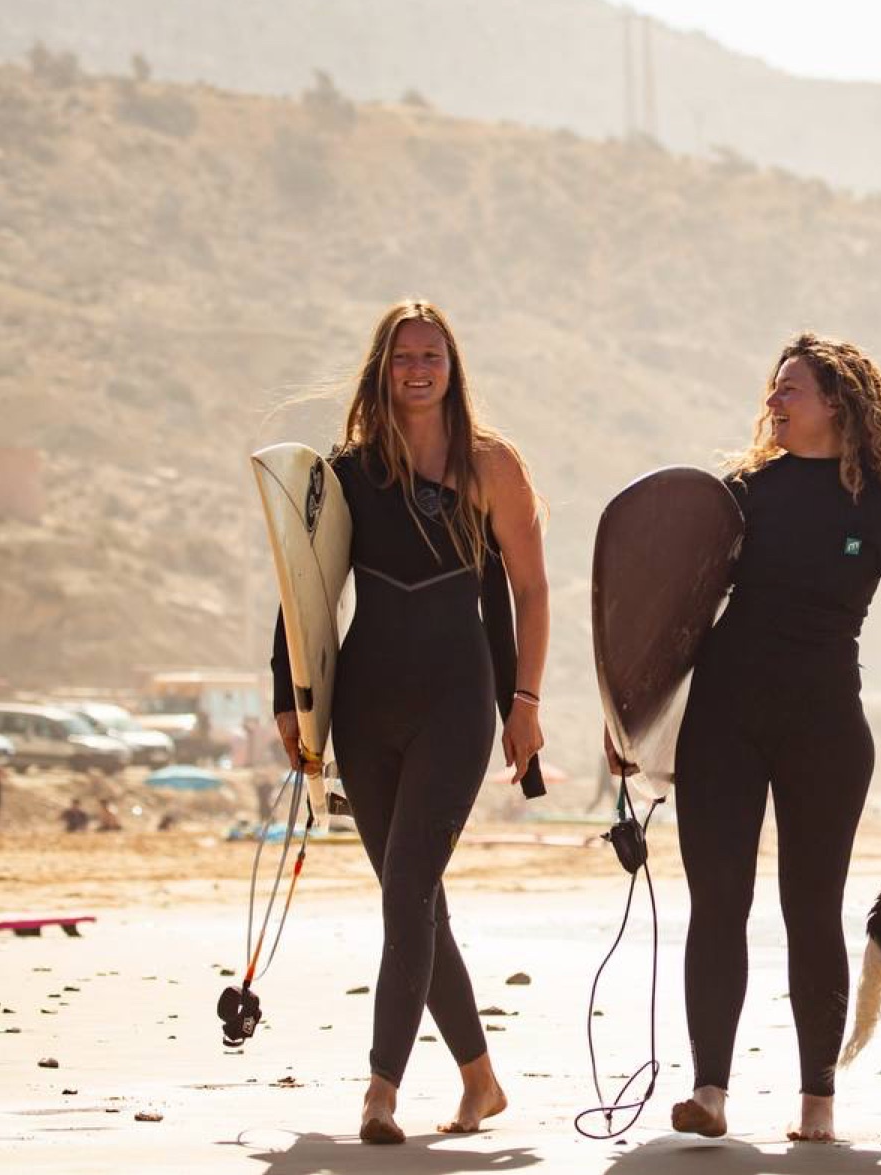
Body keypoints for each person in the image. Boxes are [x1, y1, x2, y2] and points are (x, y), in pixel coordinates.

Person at [271, 299, 548, 1145]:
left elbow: (532, 590)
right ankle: (481, 1080)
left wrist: (526, 702)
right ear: (381, 369)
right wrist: (292, 696)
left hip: (457, 700)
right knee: (416, 899)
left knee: (408, 891)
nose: (418, 369)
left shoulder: (491, 464)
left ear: (453, 367)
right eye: (402, 356)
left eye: (432, 355)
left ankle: (380, 1090)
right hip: (364, 702)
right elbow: (301, 585)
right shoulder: (350, 472)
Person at [660, 333, 881, 1144]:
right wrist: (630, 715)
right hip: (721, 719)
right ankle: (709, 1089)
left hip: (823, 726)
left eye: (791, 389)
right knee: (718, 902)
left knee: (810, 908)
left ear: (838, 402)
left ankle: (817, 1096)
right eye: (774, 387)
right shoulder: (741, 492)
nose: (774, 401)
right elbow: (671, 613)